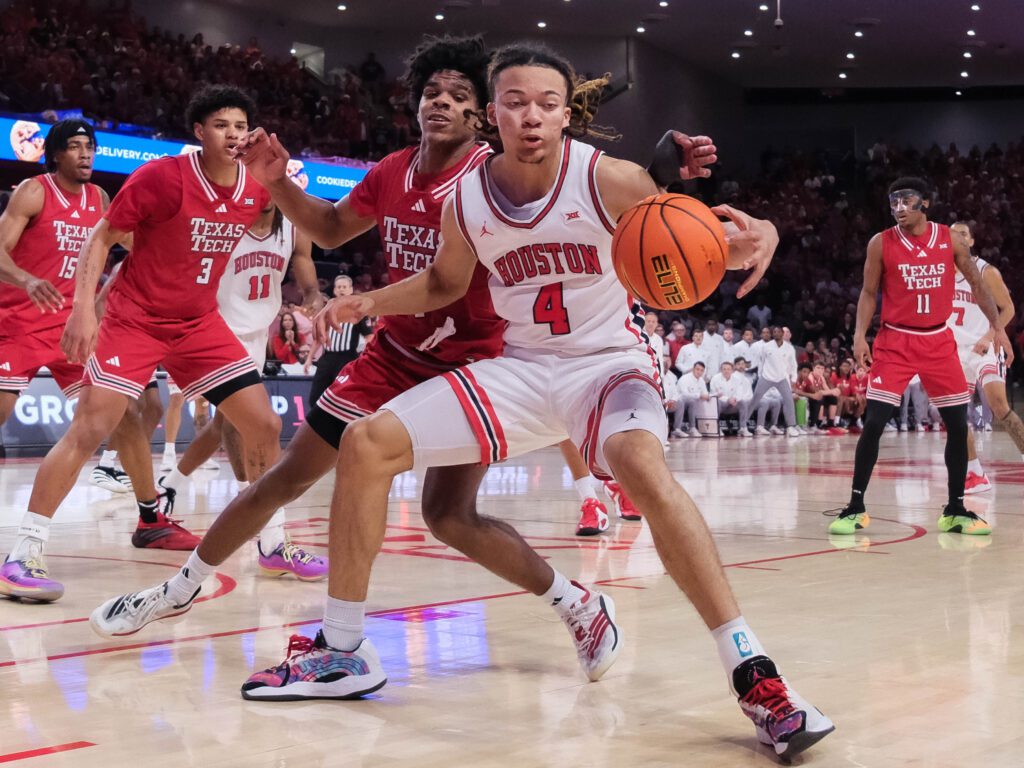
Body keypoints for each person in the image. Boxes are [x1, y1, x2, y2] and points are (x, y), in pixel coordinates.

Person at [192, 43, 827, 760]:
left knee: (638, 465)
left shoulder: (610, 179)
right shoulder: (468, 196)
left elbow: (703, 245)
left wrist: (759, 236)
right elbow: (442, 284)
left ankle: (755, 675)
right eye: (516, 103)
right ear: (492, 114)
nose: (532, 117)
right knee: (367, 444)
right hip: (521, 368)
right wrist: (368, 301)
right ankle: (342, 651)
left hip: (607, 363)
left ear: (566, 115)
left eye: (547, 105)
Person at [91, 36, 717, 646]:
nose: (441, 101)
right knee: (284, 477)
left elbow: (562, 184)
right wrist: (277, 182)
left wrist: (662, 173)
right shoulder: (394, 170)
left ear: (481, 113)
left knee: (448, 516)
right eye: (431, 91)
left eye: (458, 95)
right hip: (393, 355)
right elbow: (330, 229)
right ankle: (179, 590)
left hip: (474, 361)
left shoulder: (490, 178)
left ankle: (575, 603)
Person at [3, 86, 282, 602]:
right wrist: (85, 308)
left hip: (196, 323)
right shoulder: (154, 177)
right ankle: (24, 551)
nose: (233, 135)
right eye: (221, 125)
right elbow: (102, 239)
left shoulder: (256, 187)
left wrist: (280, 178)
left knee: (261, 424)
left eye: (241, 126)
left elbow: (319, 229)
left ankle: (268, 541)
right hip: (111, 321)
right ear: (199, 132)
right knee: (91, 428)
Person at [0, 120, 187, 602]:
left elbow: (133, 248)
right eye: (75, 147)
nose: (85, 154)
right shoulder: (33, 192)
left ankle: (150, 519)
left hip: (70, 328)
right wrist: (26, 280)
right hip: (15, 323)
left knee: (124, 415)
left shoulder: (100, 199)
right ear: (55, 154)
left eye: (90, 146)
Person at [828, 178, 1012, 536]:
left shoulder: (950, 239)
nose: (898, 208)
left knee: (958, 426)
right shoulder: (880, 243)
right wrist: (859, 336)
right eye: (893, 201)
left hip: (938, 340)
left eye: (906, 201)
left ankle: (956, 509)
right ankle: (855, 507)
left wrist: (997, 328)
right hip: (895, 340)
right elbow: (868, 292)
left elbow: (978, 285)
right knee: (874, 422)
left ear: (924, 203)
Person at [157, 203, 327, 579]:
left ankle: (169, 487)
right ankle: (272, 539)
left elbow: (304, 263)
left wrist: (312, 294)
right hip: (215, 330)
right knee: (261, 425)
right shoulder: (225, 218)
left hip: (254, 335)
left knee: (227, 423)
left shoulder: (293, 225)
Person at [948, 221, 1024, 494]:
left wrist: (990, 336)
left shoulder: (985, 271)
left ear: (971, 241)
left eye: (963, 234)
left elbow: (1009, 309)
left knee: (999, 406)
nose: (958, 238)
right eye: (953, 235)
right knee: (955, 415)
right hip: (955, 351)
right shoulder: (940, 272)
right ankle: (975, 473)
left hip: (985, 347)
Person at [306, 274, 373, 407]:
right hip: (327, 358)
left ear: (351, 290)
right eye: (339, 287)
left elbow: (369, 337)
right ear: (335, 290)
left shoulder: (358, 312)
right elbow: (319, 337)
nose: (341, 289)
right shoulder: (326, 311)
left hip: (347, 359)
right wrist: (309, 358)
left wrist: (365, 358)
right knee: (315, 397)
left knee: (342, 396)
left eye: (344, 287)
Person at [747, 327, 800, 437]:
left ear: (782, 333)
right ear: (772, 334)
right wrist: (760, 375)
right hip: (766, 377)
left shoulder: (789, 348)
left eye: (778, 332)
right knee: (755, 399)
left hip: (782, 378)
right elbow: (761, 362)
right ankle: (743, 424)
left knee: (789, 401)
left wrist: (794, 378)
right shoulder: (766, 347)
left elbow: (793, 364)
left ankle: (791, 427)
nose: (776, 333)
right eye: (774, 332)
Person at [710, 360, 752, 437]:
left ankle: (743, 428)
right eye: (724, 369)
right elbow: (714, 393)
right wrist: (728, 399)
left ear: (732, 370)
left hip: (733, 404)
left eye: (728, 369)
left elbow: (739, 393)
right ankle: (716, 428)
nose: (726, 371)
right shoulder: (715, 379)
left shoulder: (737, 379)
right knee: (716, 402)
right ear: (721, 370)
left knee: (743, 402)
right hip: (721, 405)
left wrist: (735, 399)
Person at [672, 361, 710, 438]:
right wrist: (699, 395)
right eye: (697, 369)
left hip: (692, 403)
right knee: (690, 400)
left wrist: (707, 396)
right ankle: (677, 429)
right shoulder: (685, 378)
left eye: (701, 370)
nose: (699, 372)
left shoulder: (701, 380)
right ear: (693, 369)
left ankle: (693, 428)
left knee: (695, 401)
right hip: (678, 401)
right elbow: (684, 394)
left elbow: (705, 393)